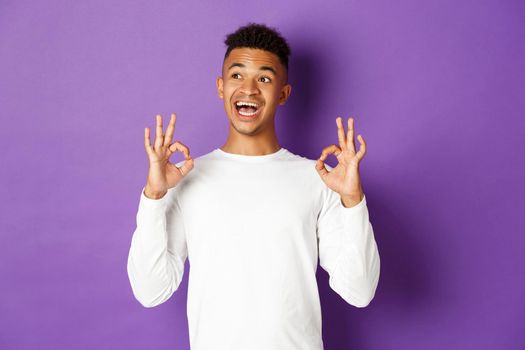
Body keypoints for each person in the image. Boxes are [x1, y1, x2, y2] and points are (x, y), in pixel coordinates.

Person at [127, 22, 380, 350]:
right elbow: (150, 292)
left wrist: (352, 200)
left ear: (284, 94)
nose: (248, 89)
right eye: (237, 75)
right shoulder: (186, 179)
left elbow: (359, 292)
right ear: (220, 87)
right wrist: (154, 197)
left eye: (264, 78)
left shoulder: (318, 180)